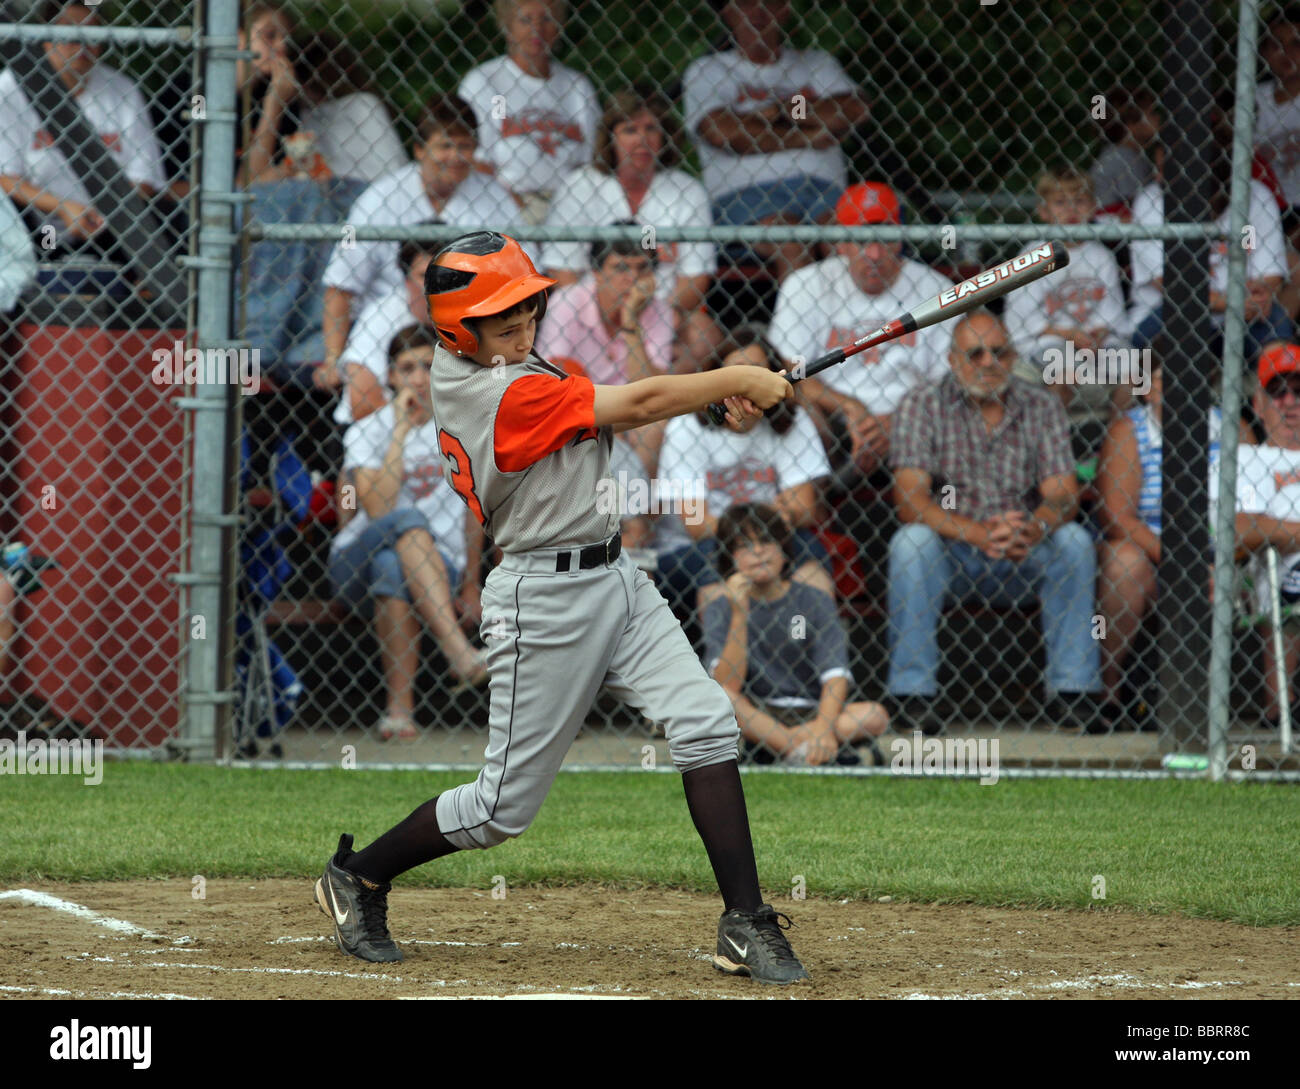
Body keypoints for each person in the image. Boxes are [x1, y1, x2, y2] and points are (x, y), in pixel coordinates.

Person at [315, 230, 810, 985]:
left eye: (526, 308)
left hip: (616, 576)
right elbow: (642, 397)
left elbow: (616, 415)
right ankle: (361, 874)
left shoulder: (510, 361)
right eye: (500, 317)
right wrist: (736, 375)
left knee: (706, 720)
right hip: (543, 599)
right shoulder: (499, 389)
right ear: (458, 329)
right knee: (498, 810)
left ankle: (744, 919)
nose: (521, 326)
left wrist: (726, 399)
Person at [887, 310, 1101, 735]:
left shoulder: (1041, 405)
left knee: (1074, 541)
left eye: (999, 352)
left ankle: (1073, 692)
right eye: (975, 353)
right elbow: (911, 501)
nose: (988, 362)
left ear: (1013, 355)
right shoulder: (921, 403)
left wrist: (1033, 528)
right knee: (910, 543)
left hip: (1023, 548)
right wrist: (978, 532)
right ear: (952, 360)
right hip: (954, 553)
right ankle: (913, 695)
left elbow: (1062, 495)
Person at [328, 324, 488, 741]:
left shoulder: (464, 429)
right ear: (391, 377)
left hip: (437, 570)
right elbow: (379, 509)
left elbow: (475, 513)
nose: (418, 377)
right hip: (353, 563)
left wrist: (471, 584)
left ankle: (399, 714)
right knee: (404, 522)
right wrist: (400, 429)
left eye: (428, 366)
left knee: (393, 568)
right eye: (407, 367)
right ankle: (459, 652)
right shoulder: (367, 429)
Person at [319, 96, 522, 393]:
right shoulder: (381, 197)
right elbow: (341, 284)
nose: (455, 156)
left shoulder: (496, 199)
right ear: (419, 149)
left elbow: (521, 283)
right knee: (364, 389)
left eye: (464, 146)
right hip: (395, 318)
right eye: (444, 145)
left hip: (473, 318)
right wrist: (332, 359)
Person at [768, 182, 954, 482]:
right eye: (861, 240)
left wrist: (898, 422)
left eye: (885, 238)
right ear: (840, 242)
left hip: (913, 418)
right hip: (832, 417)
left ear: (901, 237)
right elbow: (788, 369)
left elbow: (949, 380)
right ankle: (816, 501)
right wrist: (850, 408)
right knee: (794, 407)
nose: (875, 253)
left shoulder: (936, 288)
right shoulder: (806, 284)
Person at [682, 0, 870, 281]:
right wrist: (808, 130)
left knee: (845, 242)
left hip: (824, 192)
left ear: (784, 10)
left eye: (770, 3)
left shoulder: (816, 63)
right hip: (749, 196)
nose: (758, 12)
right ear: (728, 11)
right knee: (793, 242)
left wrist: (779, 111)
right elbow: (724, 133)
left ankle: (850, 325)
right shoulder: (708, 69)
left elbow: (854, 110)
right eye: (746, 4)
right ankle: (802, 325)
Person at [1095, 354, 1234, 732]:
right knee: (1124, 564)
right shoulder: (1129, 430)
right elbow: (1118, 518)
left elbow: (1250, 505)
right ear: (1146, 387)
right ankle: (1110, 696)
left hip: (1216, 547)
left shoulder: (1229, 428)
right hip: (1149, 545)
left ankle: (1203, 704)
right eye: (1162, 379)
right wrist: (1178, 560)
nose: (1173, 390)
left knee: (1217, 578)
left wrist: (1213, 558)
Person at [656, 325, 834, 617]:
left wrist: (757, 536)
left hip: (773, 542)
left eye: (756, 372)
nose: (746, 382)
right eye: (737, 372)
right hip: (700, 548)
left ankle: (822, 659)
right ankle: (725, 660)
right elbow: (697, 524)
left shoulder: (791, 421)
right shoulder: (687, 427)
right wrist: (760, 531)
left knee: (809, 556)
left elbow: (802, 509)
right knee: (717, 561)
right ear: (715, 378)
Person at [542, 86, 722, 370]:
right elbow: (561, 269)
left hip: (663, 307)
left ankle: (667, 405)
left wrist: (656, 313)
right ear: (610, 137)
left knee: (704, 334)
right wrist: (599, 310)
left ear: (665, 137)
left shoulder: (687, 190)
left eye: (651, 128)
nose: (642, 139)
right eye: (629, 130)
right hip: (592, 307)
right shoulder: (579, 186)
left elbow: (696, 277)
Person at [704, 502, 888, 766]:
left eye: (766, 541)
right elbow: (728, 686)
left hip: (812, 710)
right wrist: (740, 613)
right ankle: (803, 750)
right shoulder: (720, 608)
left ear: (783, 548)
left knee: (874, 715)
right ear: (729, 558)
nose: (758, 552)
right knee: (722, 701)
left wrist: (823, 729)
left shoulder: (814, 599)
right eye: (744, 546)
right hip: (757, 708)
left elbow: (835, 674)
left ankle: (778, 747)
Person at [0, 0, 166, 252]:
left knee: (163, 214)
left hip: (110, 223)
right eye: (69, 33)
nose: (80, 46)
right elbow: (6, 177)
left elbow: (145, 177)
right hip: (42, 222)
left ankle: (144, 286)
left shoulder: (123, 89)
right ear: (45, 38)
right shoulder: (9, 89)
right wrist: (64, 207)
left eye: (91, 34)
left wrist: (105, 213)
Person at [1205, 342, 1300, 730]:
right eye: (1277, 391)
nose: (1290, 401)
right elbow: (1239, 532)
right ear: (1258, 404)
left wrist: (1277, 529)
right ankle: (1283, 704)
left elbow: (1261, 525)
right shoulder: (1244, 459)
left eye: (1299, 390)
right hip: (1265, 573)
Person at [1129, 139, 1291, 363]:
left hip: (1246, 310)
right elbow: (1174, 287)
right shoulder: (1151, 201)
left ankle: (1276, 394)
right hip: (1178, 310)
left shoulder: (1255, 195)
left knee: (1277, 327)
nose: (1158, 178)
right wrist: (1233, 302)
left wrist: (1260, 294)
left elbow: (1271, 273)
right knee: (1161, 332)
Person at [1003, 166, 1129, 454]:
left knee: (1133, 369)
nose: (1071, 209)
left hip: (1093, 343)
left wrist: (1096, 336)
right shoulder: (1033, 255)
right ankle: (1057, 454)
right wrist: (1070, 335)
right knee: (1062, 367)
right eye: (1060, 202)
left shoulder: (1101, 256)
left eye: (1080, 201)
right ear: (1044, 212)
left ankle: (1115, 451)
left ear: (1093, 207)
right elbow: (1022, 322)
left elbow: (1111, 316)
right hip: (1047, 340)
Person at [539, 227, 675, 472]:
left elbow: (651, 389)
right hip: (577, 407)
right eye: (621, 268)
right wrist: (603, 418)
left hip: (631, 410)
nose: (633, 278)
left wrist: (630, 320)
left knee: (653, 427)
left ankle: (639, 509)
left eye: (642, 268)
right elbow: (553, 375)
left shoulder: (660, 311)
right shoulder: (568, 301)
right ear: (597, 273)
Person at [457, 0, 600, 225]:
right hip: (507, 201)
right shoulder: (489, 82)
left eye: (547, 19)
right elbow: (479, 159)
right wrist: (512, 203)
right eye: (525, 20)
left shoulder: (576, 86)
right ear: (507, 26)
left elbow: (591, 159)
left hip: (572, 204)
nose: (537, 29)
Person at [236, 6, 406, 187]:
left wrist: (275, 104)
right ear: (236, 37)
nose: (281, 46)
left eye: (286, 39)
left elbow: (257, 183)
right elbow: (244, 184)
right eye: (269, 35)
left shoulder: (276, 98)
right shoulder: (202, 94)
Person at [333, 234, 442, 427]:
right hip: (376, 432)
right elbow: (362, 404)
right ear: (406, 280)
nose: (434, 285)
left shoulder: (474, 314)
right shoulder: (380, 316)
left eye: (443, 274)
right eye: (424, 276)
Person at [1088, 86, 1159, 216]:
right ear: (1131, 123)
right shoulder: (1123, 157)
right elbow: (1137, 203)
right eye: (1152, 113)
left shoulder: (1124, 153)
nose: (1158, 118)